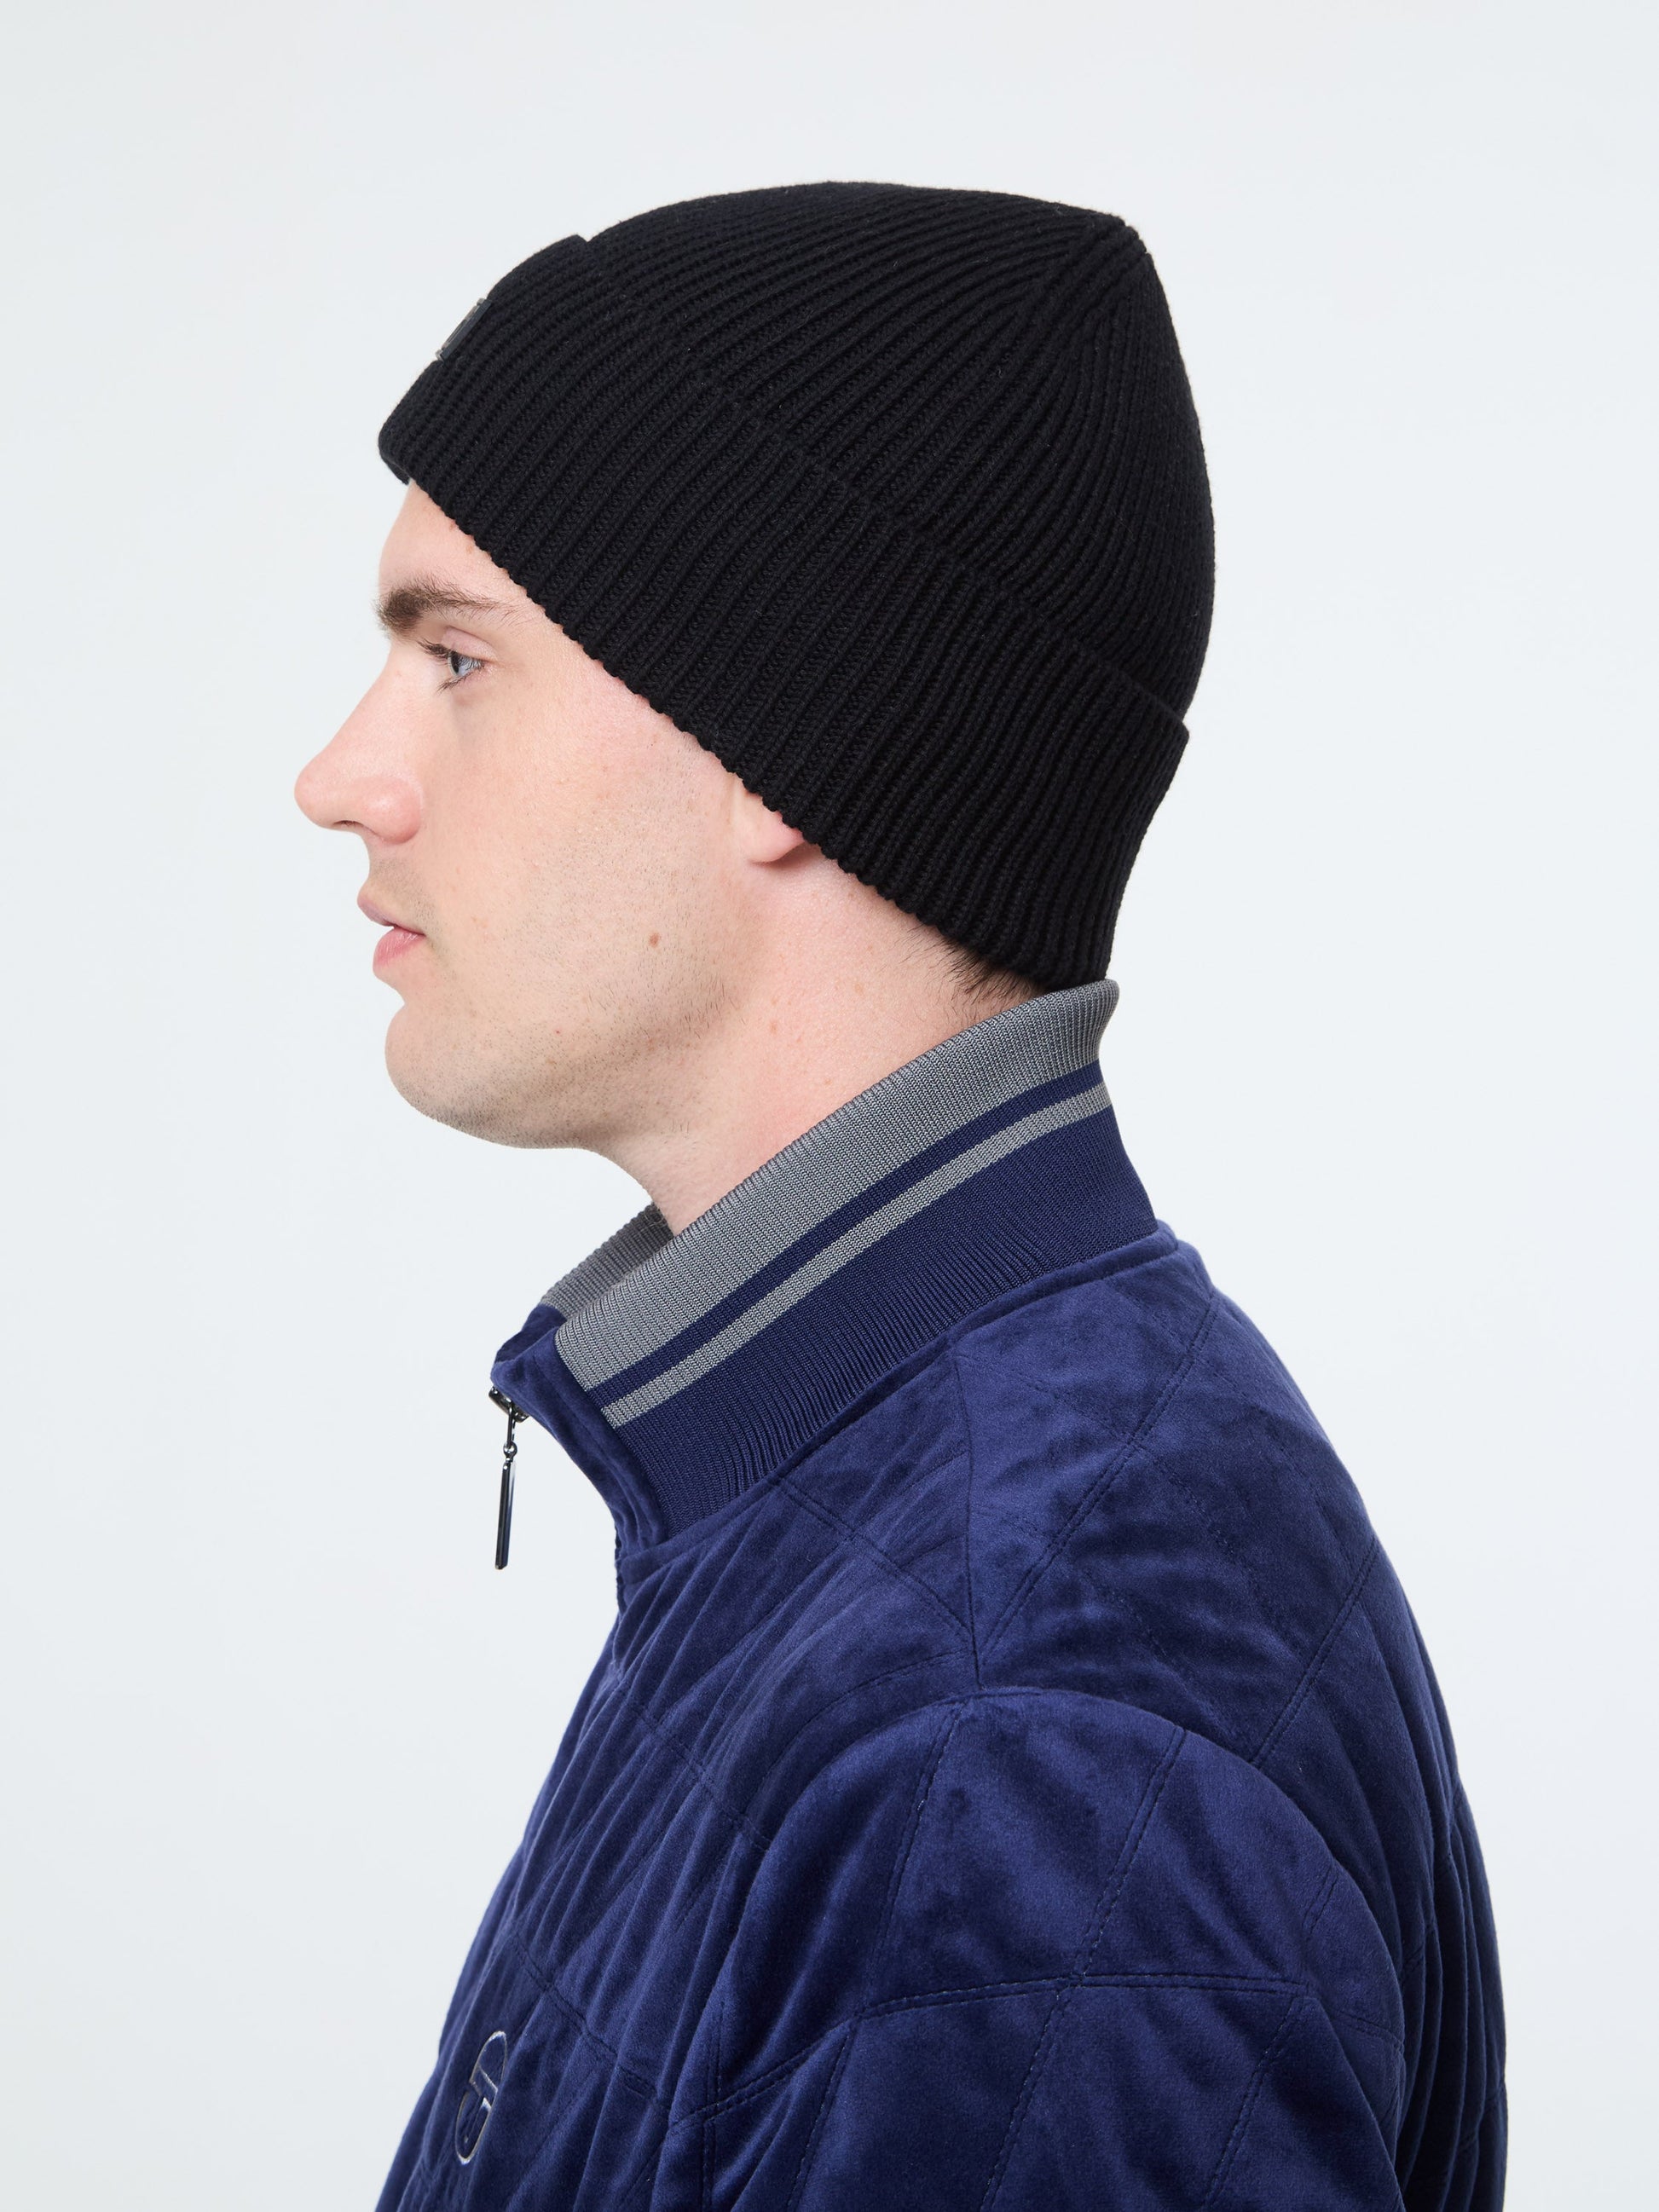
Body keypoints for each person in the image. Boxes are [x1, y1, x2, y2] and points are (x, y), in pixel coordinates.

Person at [296, 182, 1505, 2210]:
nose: (343, 773)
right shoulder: (866, 1503)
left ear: (787, 737)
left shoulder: (1018, 1736)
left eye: (458, 657)